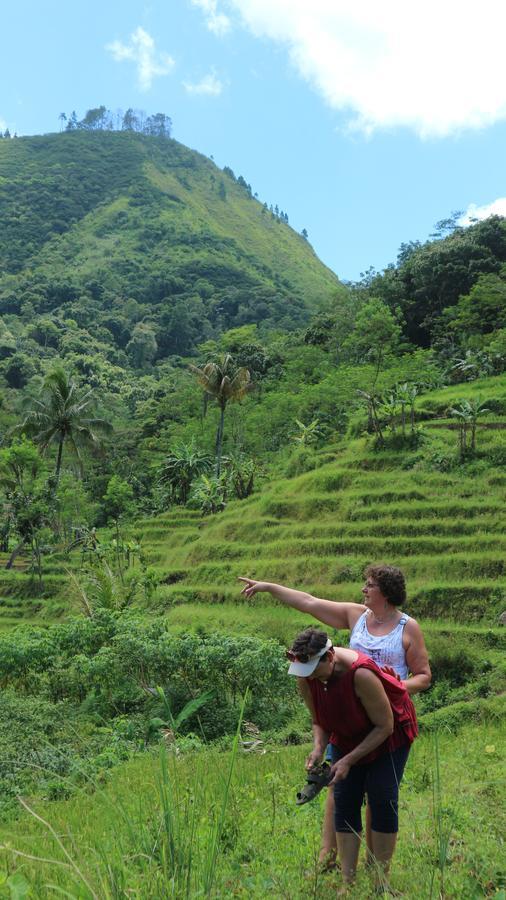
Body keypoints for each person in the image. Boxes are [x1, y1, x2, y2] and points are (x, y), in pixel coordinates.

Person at [238, 565, 431, 868]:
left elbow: (423, 677)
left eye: (370, 585)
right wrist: (268, 587)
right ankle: (328, 859)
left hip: (387, 716)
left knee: (380, 793)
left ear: (386, 593)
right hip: (347, 714)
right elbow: (309, 602)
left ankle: (373, 866)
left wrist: (387, 686)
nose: (364, 590)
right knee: (339, 788)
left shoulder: (408, 628)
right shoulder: (356, 617)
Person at [286, 626, 418, 892]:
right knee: (345, 798)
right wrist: (318, 748)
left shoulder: (361, 675)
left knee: (382, 797)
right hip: (346, 734)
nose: (309, 676)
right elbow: (319, 719)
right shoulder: (306, 676)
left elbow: (385, 726)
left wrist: (348, 760)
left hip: (388, 737)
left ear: (330, 656)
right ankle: (349, 882)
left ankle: (381, 882)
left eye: (314, 669)